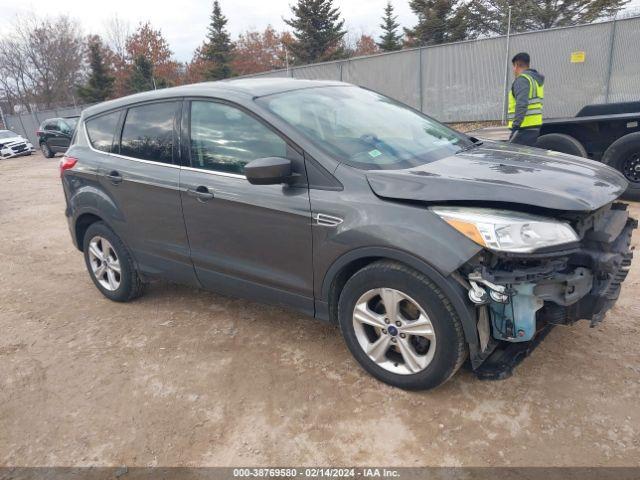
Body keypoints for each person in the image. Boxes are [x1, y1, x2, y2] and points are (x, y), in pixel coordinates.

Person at [508, 52, 545, 147]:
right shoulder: (534, 80)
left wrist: (516, 126)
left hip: (522, 128)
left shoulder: (522, 80)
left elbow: (522, 103)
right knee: (525, 157)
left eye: (513, 66)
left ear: (516, 65)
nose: (513, 70)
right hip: (533, 126)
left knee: (513, 156)